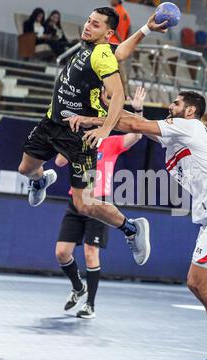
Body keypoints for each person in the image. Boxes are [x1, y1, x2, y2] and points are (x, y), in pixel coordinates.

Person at [68, 91, 207, 360]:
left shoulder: (188, 127)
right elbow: (138, 124)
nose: (170, 106)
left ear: (191, 111)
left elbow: (133, 126)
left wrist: (88, 119)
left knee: (196, 282)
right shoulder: (177, 134)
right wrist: (115, 109)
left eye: (177, 103)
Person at [18, 7, 167, 267]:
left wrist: (105, 130)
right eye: (88, 20)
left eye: (95, 24)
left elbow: (118, 96)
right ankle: (41, 181)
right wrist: (145, 29)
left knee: (84, 204)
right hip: (52, 121)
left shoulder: (100, 55)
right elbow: (120, 52)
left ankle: (132, 228)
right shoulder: (94, 47)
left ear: (107, 33)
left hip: (80, 137)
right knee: (26, 169)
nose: (88, 26)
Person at [56, 86, 146, 319]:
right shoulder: (79, 141)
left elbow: (136, 135)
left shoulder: (111, 142)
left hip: (98, 202)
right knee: (62, 253)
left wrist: (138, 110)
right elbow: (58, 162)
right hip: (76, 200)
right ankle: (78, 287)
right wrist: (69, 141)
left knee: (90, 252)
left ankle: (90, 305)